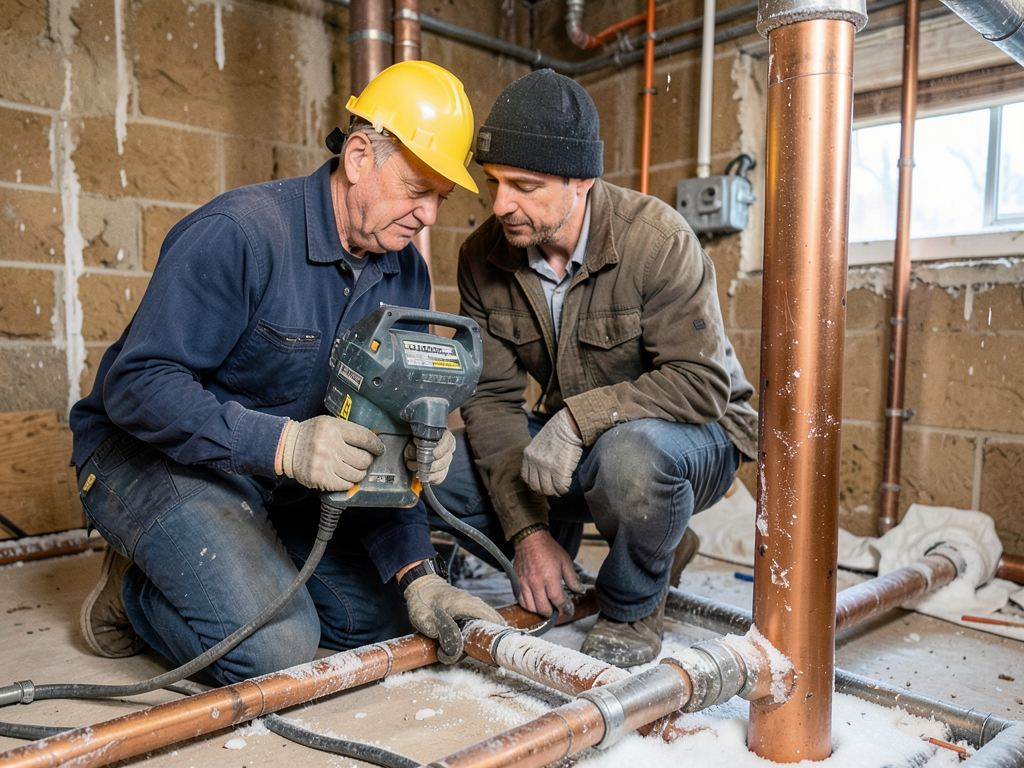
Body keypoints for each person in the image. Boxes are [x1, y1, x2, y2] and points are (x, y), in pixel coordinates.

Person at [69, 61, 504, 684]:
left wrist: (418, 573)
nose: (429, 216)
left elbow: (385, 421)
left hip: (272, 481)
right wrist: (286, 443)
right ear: (359, 156)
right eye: (416, 190)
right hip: (148, 457)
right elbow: (138, 387)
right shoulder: (241, 233)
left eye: (441, 197)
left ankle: (227, 565)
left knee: (378, 620)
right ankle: (131, 593)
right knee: (276, 651)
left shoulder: (404, 271)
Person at [433, 69, 758, 668]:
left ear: (582, 183)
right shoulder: (482, 257)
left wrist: (579, 420)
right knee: (431, 466)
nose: (501, 204)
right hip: (578, 443)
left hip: (695, 437)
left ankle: (633, 606)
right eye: (495, 182)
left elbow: (703, 384)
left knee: (630, 459)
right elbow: (493, 402)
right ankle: (633, 539)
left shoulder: (656, 240)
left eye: (525, 186)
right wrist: (528, 534)